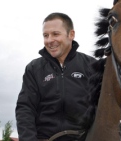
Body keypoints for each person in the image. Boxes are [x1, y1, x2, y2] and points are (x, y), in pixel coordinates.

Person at [15, 12, 97, 141]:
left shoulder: (92, 65)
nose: (49, 40)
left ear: (71, 35)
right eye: (45, 35)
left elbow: (103, 107)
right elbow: (25, 108)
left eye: (55, 34)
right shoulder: (34, 68)